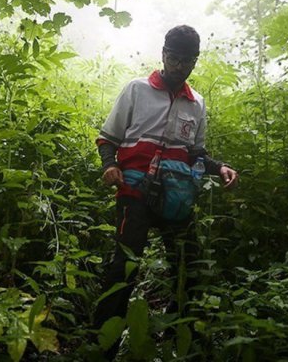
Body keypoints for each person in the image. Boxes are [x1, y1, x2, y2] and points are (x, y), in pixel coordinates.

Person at [93, 25, 238, 354]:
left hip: (177, 198)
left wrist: (221, 168)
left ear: (195, 61)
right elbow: (108, 138)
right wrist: (109, 165)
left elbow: (195, 153)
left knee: (190, 268)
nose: (179, 66)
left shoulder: (196, 103)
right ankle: (101, 347)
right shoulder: (137, 90)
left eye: (188, 60)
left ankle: (178, 342)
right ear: (163, 54)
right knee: (123, 269)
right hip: (135, 193)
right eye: (174, 58)